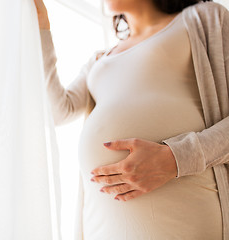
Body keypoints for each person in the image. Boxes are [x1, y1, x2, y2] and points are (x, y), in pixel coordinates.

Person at [35, 0, 229, 239]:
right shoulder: (99, 61)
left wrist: (176, 158)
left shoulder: (204, 19)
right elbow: (57, 111)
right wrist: (42, 27)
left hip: (183, 223)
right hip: (101, 227)